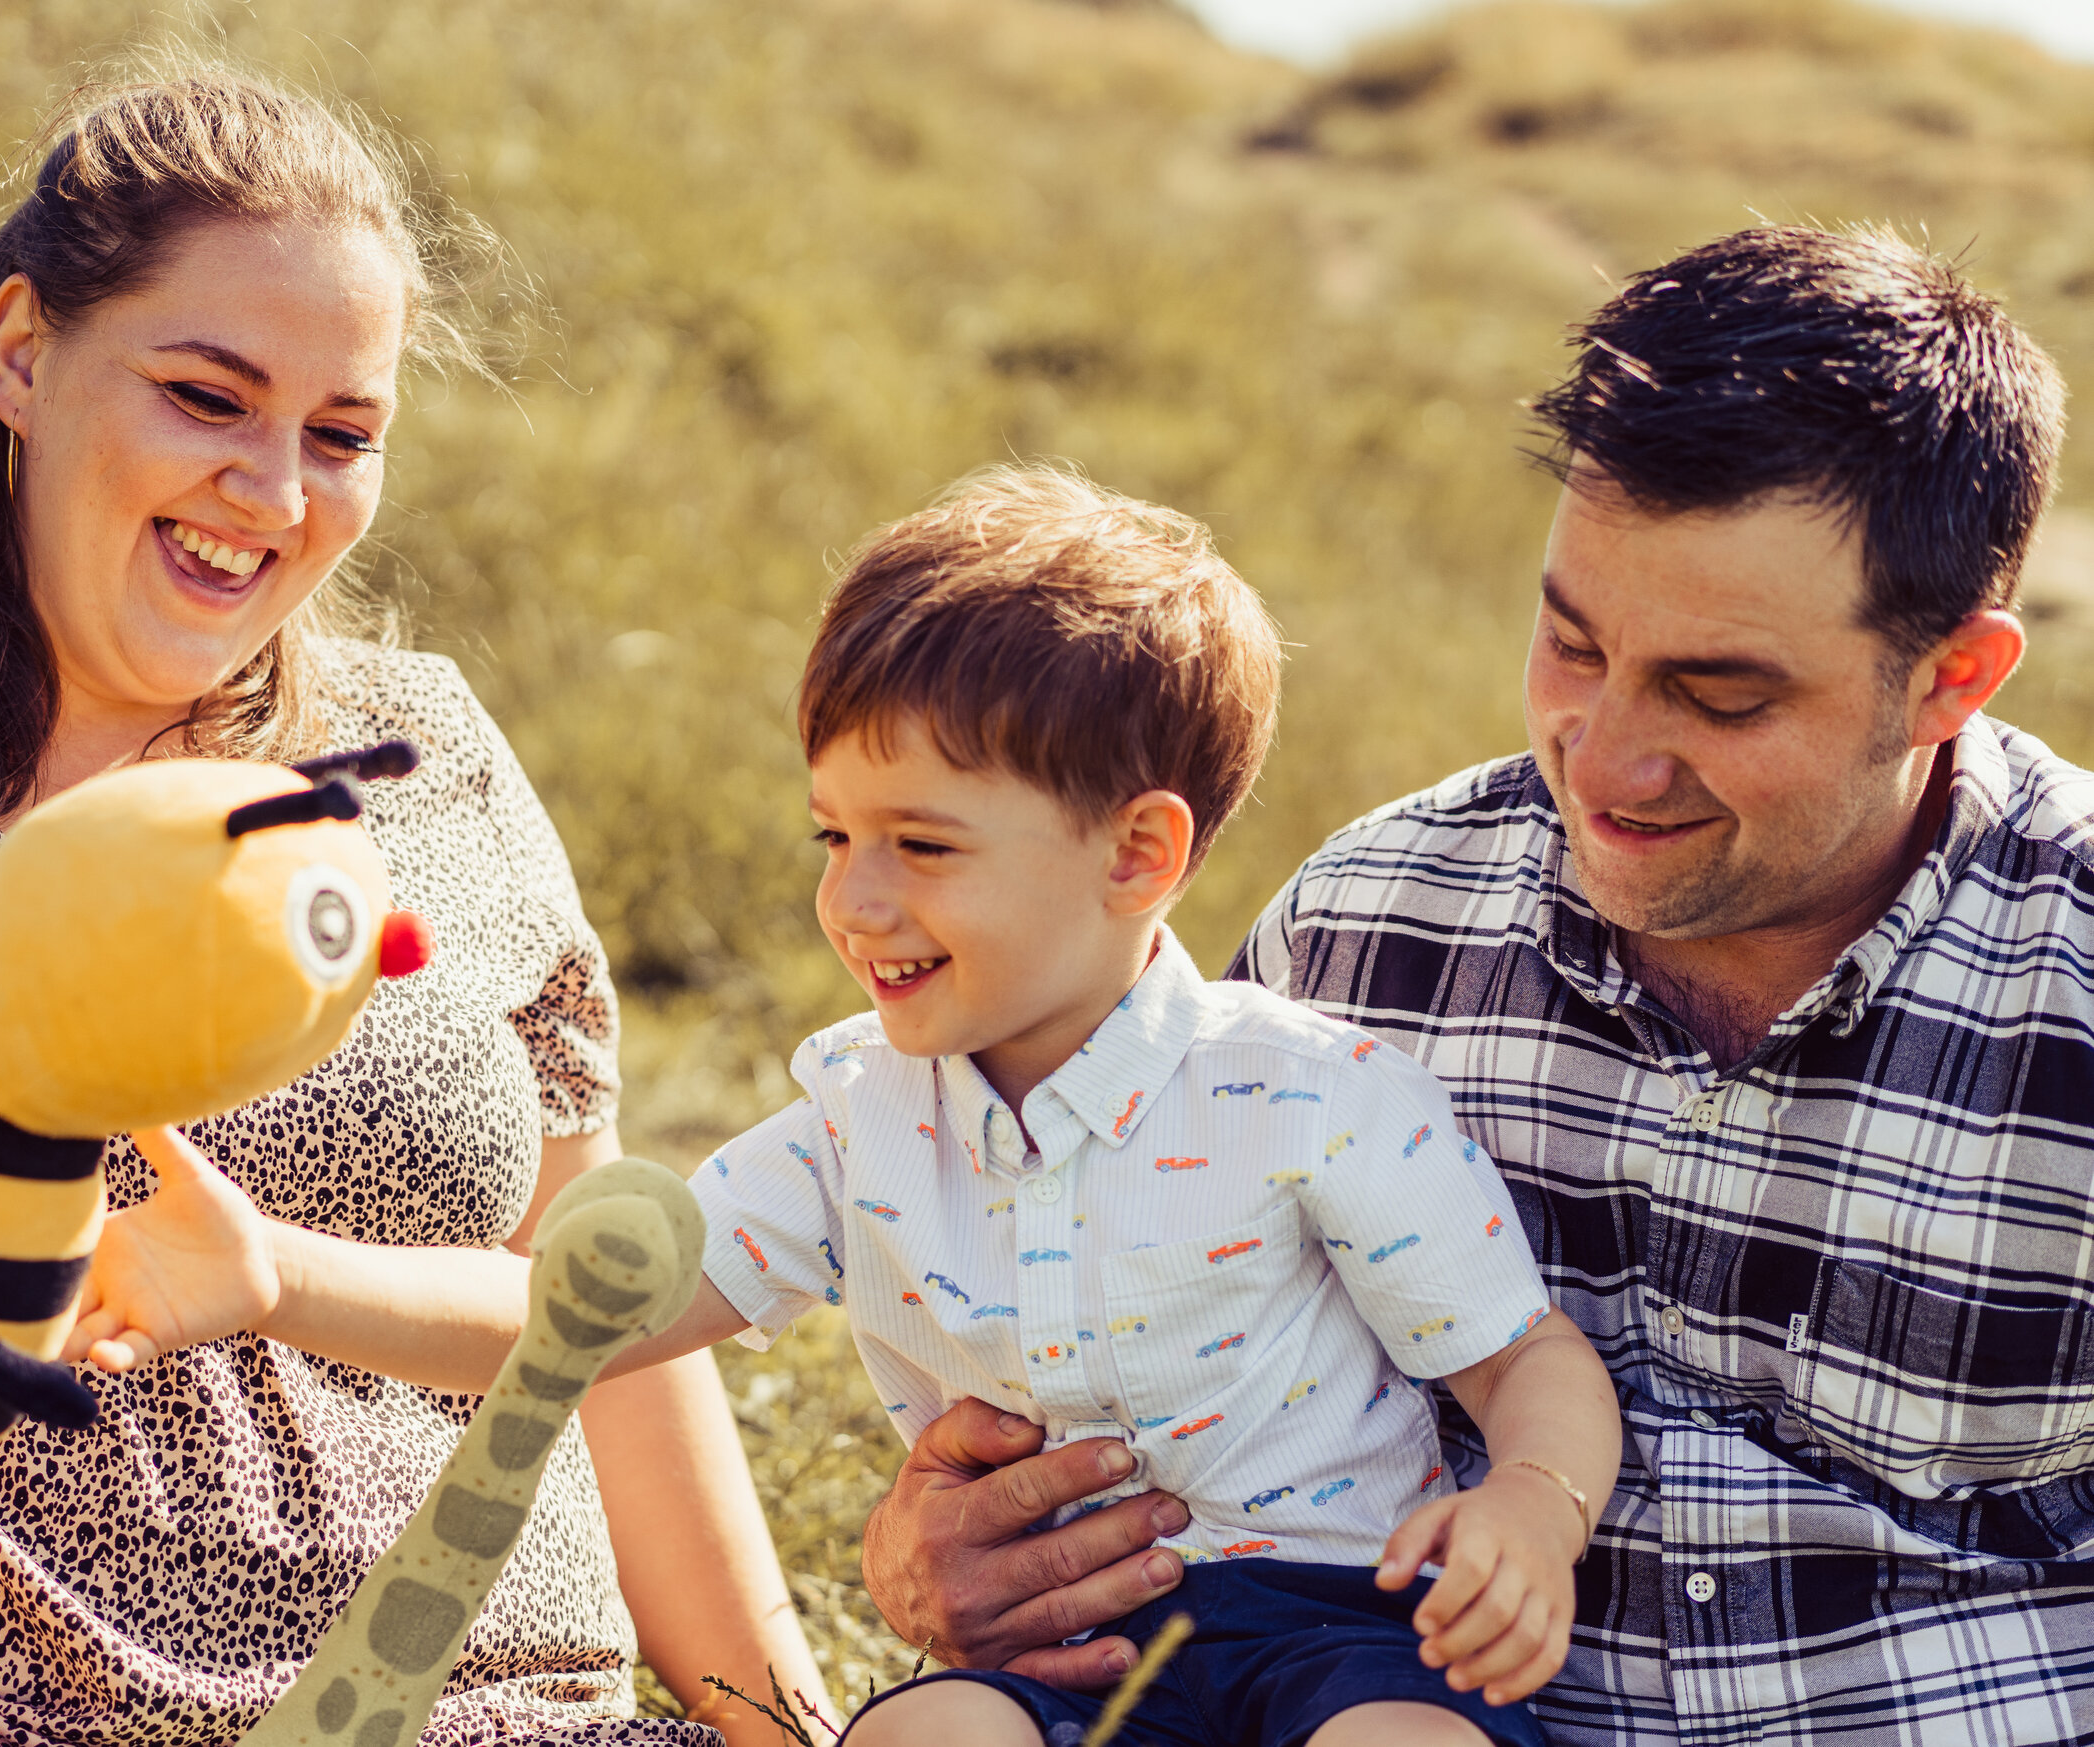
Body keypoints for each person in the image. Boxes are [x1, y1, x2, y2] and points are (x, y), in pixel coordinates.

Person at [0, 66, 818, 1746]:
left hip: (460, 1698)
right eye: (206, 396)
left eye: (343, 434)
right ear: (23, 354)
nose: (275, 489)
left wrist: (780, 1718)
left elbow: (600, 1309)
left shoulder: (427, 759)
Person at [69, 466, 1623, 1747]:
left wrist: (1535, 1516)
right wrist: (275, 1276)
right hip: (1061, 1666)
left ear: (1138, 854)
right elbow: (581, 1318)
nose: (854, 900)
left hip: (1341, 1637)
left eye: (923, 846)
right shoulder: (855, 1125)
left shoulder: (1310, 1095)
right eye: (832, 835)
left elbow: (1523, 1362)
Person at [856, 225, 2094, 1744]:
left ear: (1955, 677)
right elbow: (1132, 1343)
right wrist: (953, 1544)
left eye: (1721, 693)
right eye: (1572, 646)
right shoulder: (1369, 930)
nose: (1609, 757)